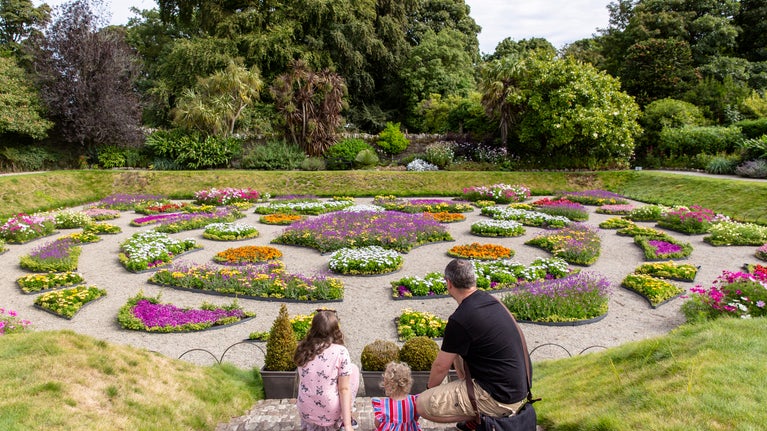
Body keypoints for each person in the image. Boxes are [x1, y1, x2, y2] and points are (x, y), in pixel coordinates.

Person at [416, 259, 530, 431]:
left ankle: (482, 417)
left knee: (422, 404)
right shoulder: (491, 300)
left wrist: (428, 390)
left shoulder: (460, 319)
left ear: (449, 283)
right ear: (473, 280)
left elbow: (440, 367)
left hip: (501, 398)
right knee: (460, 352)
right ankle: (474, 416)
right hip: (518, 387)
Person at [294, 309, 360, 431]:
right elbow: (344, 389)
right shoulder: (340, 351)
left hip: (306, 410)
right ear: (335, 330)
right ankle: (346, 419)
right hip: (330, 412)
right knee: (354, 370)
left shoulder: (303, 349)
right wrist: (348, 425)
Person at [371, 361, 423, 431]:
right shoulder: (414, 401)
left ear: (387, 384)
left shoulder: (382, 404)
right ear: (407, 383)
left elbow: (377, 423)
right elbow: (415, 418)